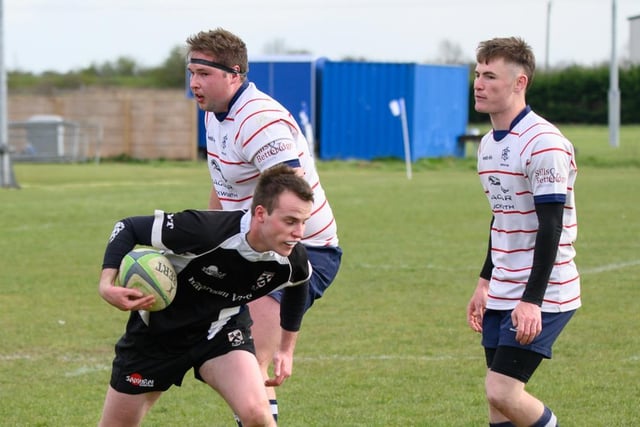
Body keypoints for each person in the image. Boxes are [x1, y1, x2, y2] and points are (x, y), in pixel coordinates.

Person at [186, 28, 342, 425]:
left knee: (248, 365)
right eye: (191, 72)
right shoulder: (214, 115)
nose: (194, 83)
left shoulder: (259, 120)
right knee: (224, 358)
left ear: (234, 74)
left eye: (204, 73)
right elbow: (222, 185)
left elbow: (291, 198)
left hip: (300, 248)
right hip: (252, 247)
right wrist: (207, 241)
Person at [97, 165, 314, 427]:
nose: (299, 233)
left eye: (303, 222)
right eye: (290, 221)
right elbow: (128, 227)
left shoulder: (292, 259)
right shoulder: (206, 231)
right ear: (260, 214)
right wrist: (106, 284)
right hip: (156, 336)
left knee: (258, 416)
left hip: (220, 332)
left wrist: (286, 350)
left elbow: (300, 284)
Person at [466, 37, 581, 427]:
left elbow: (551, 224)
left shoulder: (543, 142)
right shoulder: (487, 145)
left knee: (503, 390)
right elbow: (503, 216)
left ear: (520, 83)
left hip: (544, 291)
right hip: (502, 287)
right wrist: (485, 281)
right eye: (478, 74)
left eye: (490, 76)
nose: (479, 84)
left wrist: (532, 300)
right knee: (499, 408)